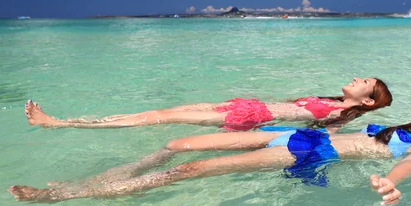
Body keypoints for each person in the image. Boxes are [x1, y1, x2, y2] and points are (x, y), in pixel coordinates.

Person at [9, 102, 411, 204]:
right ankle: (105, 180)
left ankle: (72, 194)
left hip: (305, 154)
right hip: (289, 133)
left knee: (190, 169)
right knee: (175, 144)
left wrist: (391, 182)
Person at [24, 78, 392, 131]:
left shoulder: (342, 113)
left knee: (159, 118)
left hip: (249, 117)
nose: (357, 78)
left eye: (365, 82)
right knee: (164, 112)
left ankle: (59, 124)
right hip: (246, 106)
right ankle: (69, 122)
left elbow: (316, 132)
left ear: (368, 99)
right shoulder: (329, 100)